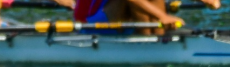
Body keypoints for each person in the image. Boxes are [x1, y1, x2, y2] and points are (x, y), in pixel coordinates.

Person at [74, 0, 218, 33]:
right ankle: (151, 42)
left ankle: (156, 37)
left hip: (116, 20)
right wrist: (163, 16)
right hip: (89, 23)